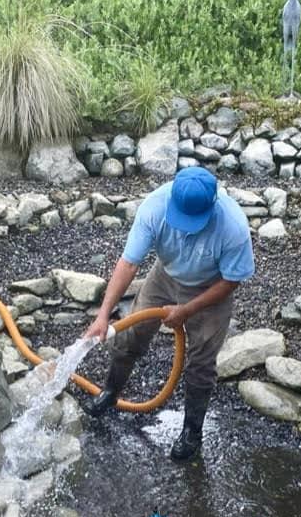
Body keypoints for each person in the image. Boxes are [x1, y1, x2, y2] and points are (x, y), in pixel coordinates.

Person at [83, 166, 255, 461]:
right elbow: (128, 264)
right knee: (130, 335)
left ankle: (192, 432)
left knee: (201, 362)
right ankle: (111, 392)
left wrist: (187, 310)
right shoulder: (155, 207)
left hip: (211, 288)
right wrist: (103, 315)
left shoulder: (233, 226)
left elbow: (231, 280)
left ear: (212, 207)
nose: (187, 227)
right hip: (165, 276)